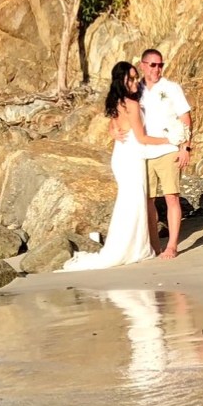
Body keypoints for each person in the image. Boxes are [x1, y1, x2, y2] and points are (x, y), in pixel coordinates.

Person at [61, 62, 177, 272]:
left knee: (130, 202)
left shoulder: (117, 101)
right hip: (131, 156)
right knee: (133, 201)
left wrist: (112, 130)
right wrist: (169, 140)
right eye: (130, 79)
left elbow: (114, 126)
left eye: (135, 77)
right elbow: (141, 137)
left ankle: (133, 246)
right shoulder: (130, 105)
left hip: (122, 155)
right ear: (121, 81)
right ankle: (132, 248)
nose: (134, 82)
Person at [138, 48, 193, 259]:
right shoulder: (136, 89)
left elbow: (185, 119)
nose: (157, 69)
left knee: (171, 196)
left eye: (160, 65)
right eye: (153, 65)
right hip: (144, 152)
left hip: (169, 149)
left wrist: (185, 147)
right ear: (143, 65)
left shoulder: (172, 88)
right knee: (148, 200)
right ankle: (153, 244)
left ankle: (172, 245)